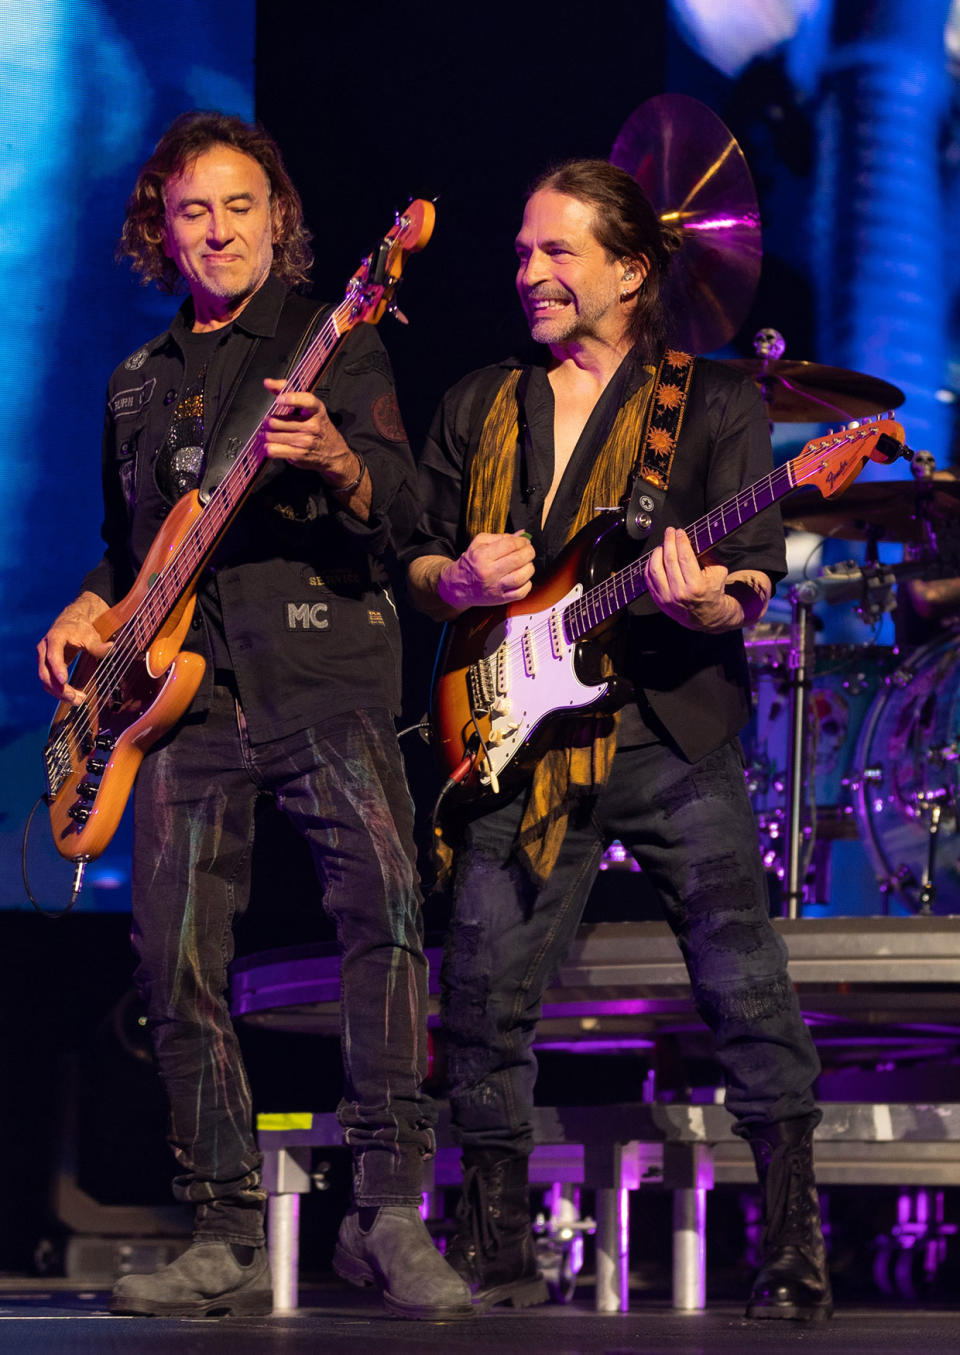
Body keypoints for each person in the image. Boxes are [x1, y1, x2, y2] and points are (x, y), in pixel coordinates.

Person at [36, 110, 472, 1322]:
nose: (218, 230)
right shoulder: (137, 384)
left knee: (382, 919)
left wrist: (335, 457)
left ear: (278, 218)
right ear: (159, 232)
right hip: (180, 702)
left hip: (326, 676)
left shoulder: (338, 347)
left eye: (240, 206)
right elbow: (117, 555)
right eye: (192, 212)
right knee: (174, 957)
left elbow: (407, 513)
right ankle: (221, 1225)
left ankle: (388, 1211)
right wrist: (82, 609)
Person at [406, 159, 832, 1321]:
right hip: (517, 736)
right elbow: (415, 556)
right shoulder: (481, 402)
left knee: (746, 987)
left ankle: (794, 1253)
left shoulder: (715, 401)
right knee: (483, 993)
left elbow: (751, 572)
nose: (529, 272)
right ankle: (496, 1251)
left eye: (557, 252)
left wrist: (713, 599)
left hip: (668, 726)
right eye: (522, 253)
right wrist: (451, 575)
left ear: (632, 269)